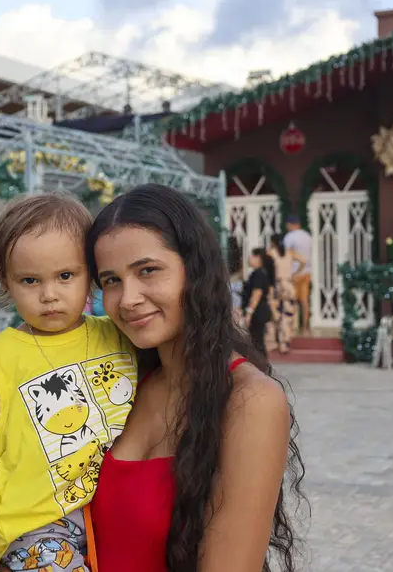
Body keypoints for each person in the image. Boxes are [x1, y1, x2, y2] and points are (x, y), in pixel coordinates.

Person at [86, 184, 306, 572]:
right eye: (111, 280)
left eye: (147, 271)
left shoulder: (249, 400)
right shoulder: (120, 385)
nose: (128, 298)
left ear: (195, 269)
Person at [0, 193, 138, 572]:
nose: (49, 294)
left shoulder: (119, 334)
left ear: (91, 274)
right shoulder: (1, 356)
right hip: (34, 524)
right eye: (30, 280)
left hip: (110, 513)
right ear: (6, 281)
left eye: (66, 276)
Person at [266, 234, 305, 354]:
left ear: (273, 242)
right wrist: (295, 273)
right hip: (288, 285)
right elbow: (304, 261)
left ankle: (276, 342)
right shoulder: (290, 252)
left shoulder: (271, 253)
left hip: (277, 285)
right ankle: (285, 342)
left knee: (276, 314)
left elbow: (267, 269)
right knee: (287, 314)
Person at [283, 214, 311, 333]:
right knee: (304, 301)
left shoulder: (290, 237)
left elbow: (288, 254)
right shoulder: (307, 236)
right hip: (307, 272)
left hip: (294, 272)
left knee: (291, 300)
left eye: (288, 224)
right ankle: (305, 327)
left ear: (291, 224)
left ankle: (292, 328)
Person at [242, 247, 274, 354]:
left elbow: (257, 294)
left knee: (257, 341)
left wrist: (249, 313)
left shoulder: (259, 274)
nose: (249, 258)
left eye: (252, 256)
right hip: (260, 310)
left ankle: (261, 366)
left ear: (258, 258)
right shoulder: (259, 273)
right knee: (257, 340)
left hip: (258, 311)